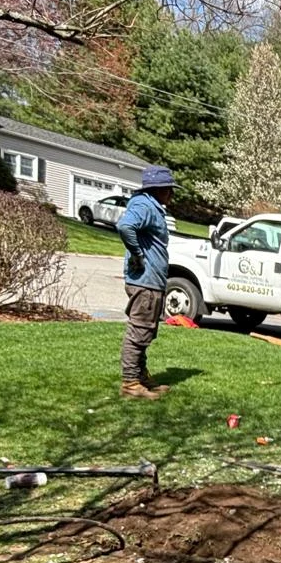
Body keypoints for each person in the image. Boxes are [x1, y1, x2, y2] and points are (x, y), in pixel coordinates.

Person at [117, 166, 175, 399]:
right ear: (157, 189)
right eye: (168, 189)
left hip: (151, 282)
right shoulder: (144, 205)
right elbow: (124, 226)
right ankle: (130, 383)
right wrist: (138, 254)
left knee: (146, 331)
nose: (171, 194)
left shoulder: (151, 206)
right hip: (145, 282)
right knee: (139, 331)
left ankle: (140, 377)